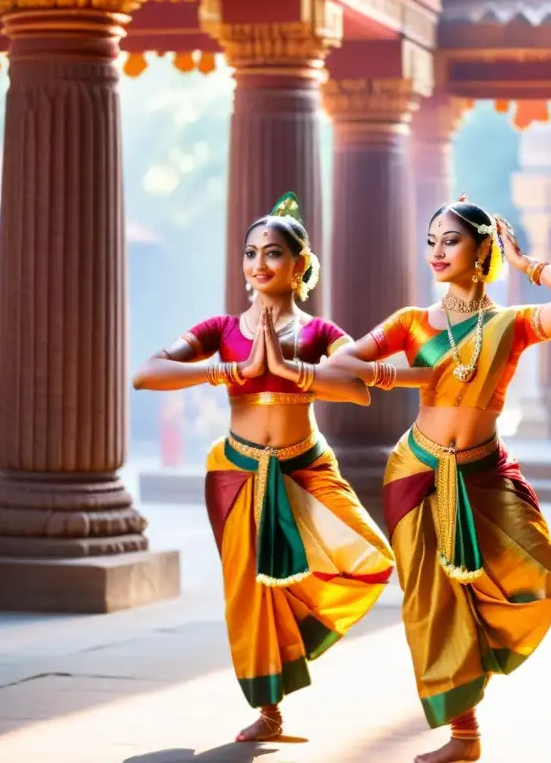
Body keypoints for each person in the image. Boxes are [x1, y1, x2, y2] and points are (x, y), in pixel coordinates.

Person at [330, 195, 551, 763]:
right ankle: (464, 735)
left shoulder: (511, 323)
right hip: (417, 470)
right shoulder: (411, 322)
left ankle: (481, 665)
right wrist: (403, 374)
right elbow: (342, 362)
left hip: (482, 470)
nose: (437, 252)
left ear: (482, 250)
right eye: (430, 242)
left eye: (450, 241)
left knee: (539, 580)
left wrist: (530, 266)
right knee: (433, 605)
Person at [132, 193, 395, 743]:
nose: (259, 264)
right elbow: (146, 374)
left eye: (273, 253)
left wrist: (291, 370)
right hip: (238, 470)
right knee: (250, 592)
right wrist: (227, 369)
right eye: (250, 253)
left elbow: (359, 389)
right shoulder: (221, 328)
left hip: (306, 466)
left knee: (371, 558)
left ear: (299, 265)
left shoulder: (320, 333)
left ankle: (295, 642)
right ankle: (269, 709)